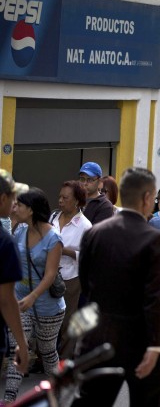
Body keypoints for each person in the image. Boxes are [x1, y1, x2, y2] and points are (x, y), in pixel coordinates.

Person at [74, 168, 160, 407]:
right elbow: (156, 297)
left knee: (91, 401)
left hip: (99, 335)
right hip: (139, 338)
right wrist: (156, 344)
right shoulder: (154, 238)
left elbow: (86, 283)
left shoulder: (94, 233)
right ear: (147, 198)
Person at [4, 188, 65, 402]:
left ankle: (56, 394)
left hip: (48, 307)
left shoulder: (53, 238)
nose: (15, 208)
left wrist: (34, 296)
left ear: (30, 210)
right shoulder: (20, 230)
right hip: (21, 303)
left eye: (19, 205)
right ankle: (9, 400)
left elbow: (50, 275)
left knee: (47, 353)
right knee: (18, 349)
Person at [50, 180, 92, 358]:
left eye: (65, 198)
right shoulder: (53, 218)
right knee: (47, 320)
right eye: (60, 196)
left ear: (76, 201)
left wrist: (64, 250)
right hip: (49, 274)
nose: (60, 200)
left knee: (67, 323)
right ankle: (47, 357)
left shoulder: (85, 225)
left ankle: (64, 359)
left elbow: (88, 257)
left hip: (70, 278)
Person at [0, 170, 28, 379]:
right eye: (13, 197)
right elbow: (6, 300)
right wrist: (22, 343)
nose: (15, 202)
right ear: (3, 199)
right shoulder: (4, 242)